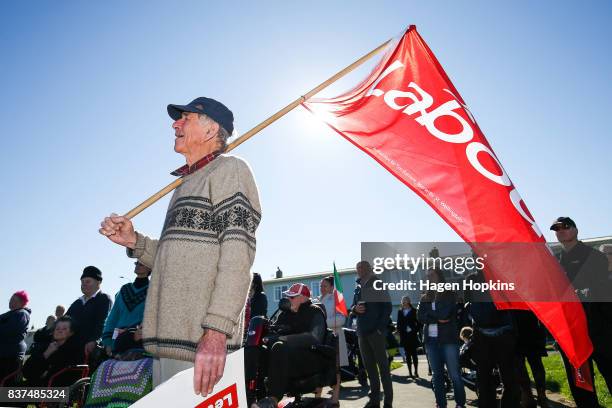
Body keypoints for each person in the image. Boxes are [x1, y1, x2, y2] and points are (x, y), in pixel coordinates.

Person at [99, 97, 261, 395]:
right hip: (166, 345)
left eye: (186, 118)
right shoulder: (185, 184)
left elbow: (238, 254)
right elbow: (177, 256)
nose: (175, 123)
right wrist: (134, 241)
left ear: (211, 131)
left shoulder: (230, 170)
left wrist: (216, 332)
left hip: (200, 346)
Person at [552, 216, 612, 406]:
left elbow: (603, 293)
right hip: (571, 334)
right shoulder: (554, 263)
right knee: (581, 386)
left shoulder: (595, 256)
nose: (561, 231)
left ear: (576, 230)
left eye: (566, 227)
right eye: (557, 229)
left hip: (599, 330)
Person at [248, 283, 328, 408]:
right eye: (288, 297)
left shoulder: (315, 311)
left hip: (309, 357)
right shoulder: (285, 314)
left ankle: (273, 399)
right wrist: (266, 338)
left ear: (303, 297)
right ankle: (255, 396)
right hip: (285, 356)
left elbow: (315, 337)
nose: (288, 300)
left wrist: (283, 339)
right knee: (258, 351)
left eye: (292, 297)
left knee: (280, 346)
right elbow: (273, 332)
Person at [464, 267, 520, 408]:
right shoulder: (473, 279)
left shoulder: (502, 276)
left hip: (501, 333)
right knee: (492, 381)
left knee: (505, 381)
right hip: (489, 334)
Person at [417, 269, 466, 408]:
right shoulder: (424, 297)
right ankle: (440, 404)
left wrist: (431, 316)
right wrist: (437, 317)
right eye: (427, 276)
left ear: (439, 276)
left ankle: (460, 404)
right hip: (431, 342)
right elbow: (420, 317)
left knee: (454, 374)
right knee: (437, 375)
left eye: (431, 275)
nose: (429, 277)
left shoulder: (449, 294)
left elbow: (445, 315)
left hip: (448, 340)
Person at [350, 261, 393, 408]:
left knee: (383, 368)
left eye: (362, 267)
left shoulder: (378, 283)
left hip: (376, 333)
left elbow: (387, 308)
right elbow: (352, 308)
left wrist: (380, 329)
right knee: (370, 369)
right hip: (362, 333)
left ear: (369, 269)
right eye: (358, 268)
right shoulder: (358, 287)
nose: (360, 270)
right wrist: (355, 309)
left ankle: (388, 402)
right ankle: (374, 400)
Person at [101, 261, 151, 356]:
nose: (137, 265)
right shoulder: (124, 289)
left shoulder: (152, 290)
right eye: (136, 263)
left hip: (139, 340)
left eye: (142, 263)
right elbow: (113, 316)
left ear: (150, 268)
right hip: (118, 340)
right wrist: (108, 341)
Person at [315, 275, 349, 405]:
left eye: (325, 286)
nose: (322, 288)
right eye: (320, 286)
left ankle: (335, 398)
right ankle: (317, 398)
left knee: (335, 369)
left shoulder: (337, 299)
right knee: (319, 368)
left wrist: (322, 323)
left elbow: (341, 319)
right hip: (319, 339)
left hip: (334, 337)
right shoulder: (316, 300)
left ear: (331, 287)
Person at [66, 266, 113, 357]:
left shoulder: (104, 299)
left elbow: (102, 322)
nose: (84, 284)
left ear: (98, 282)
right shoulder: (77, 302)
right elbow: (65, 321)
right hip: (70, 346)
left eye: (87, 281)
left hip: (88, 348)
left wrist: (94, 340)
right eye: (82, 282)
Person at [22, 316, 82, 386]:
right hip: (33, 386)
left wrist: (46, 372)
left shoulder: (74, 352)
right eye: (57, 328)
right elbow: (26, 372)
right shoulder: (45, 346)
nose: (59, 330)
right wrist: (46, 353)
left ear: (71, 333)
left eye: (64, 329)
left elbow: (68, 378)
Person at [513, 310, 549, 408]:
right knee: (535, 366)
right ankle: (536, 396)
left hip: (520, 332)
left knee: (524, 368)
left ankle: (530, 396)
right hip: (530, 331)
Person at [0, 291, 31, 382]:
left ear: (21, 303)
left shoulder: (22, 314)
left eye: (14, 300)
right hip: (4, 354)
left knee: (7, 383)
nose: (10, 302)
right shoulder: (9, 314)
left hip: (11, 356)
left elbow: (11, 330)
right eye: (10, 299)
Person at [397, 296, 420, 378]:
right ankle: (410, 372)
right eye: (402, 300)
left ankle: (416, 371)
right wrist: (403, 329)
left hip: (412, 336)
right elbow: (399, 324)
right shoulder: (400, 311)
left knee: (414, 355)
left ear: (409, 301)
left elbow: (418, 323)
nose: (403, 301)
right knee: (407, 356)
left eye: (405, 300)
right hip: (404, 336)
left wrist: (413, 330)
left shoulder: (414, 311)